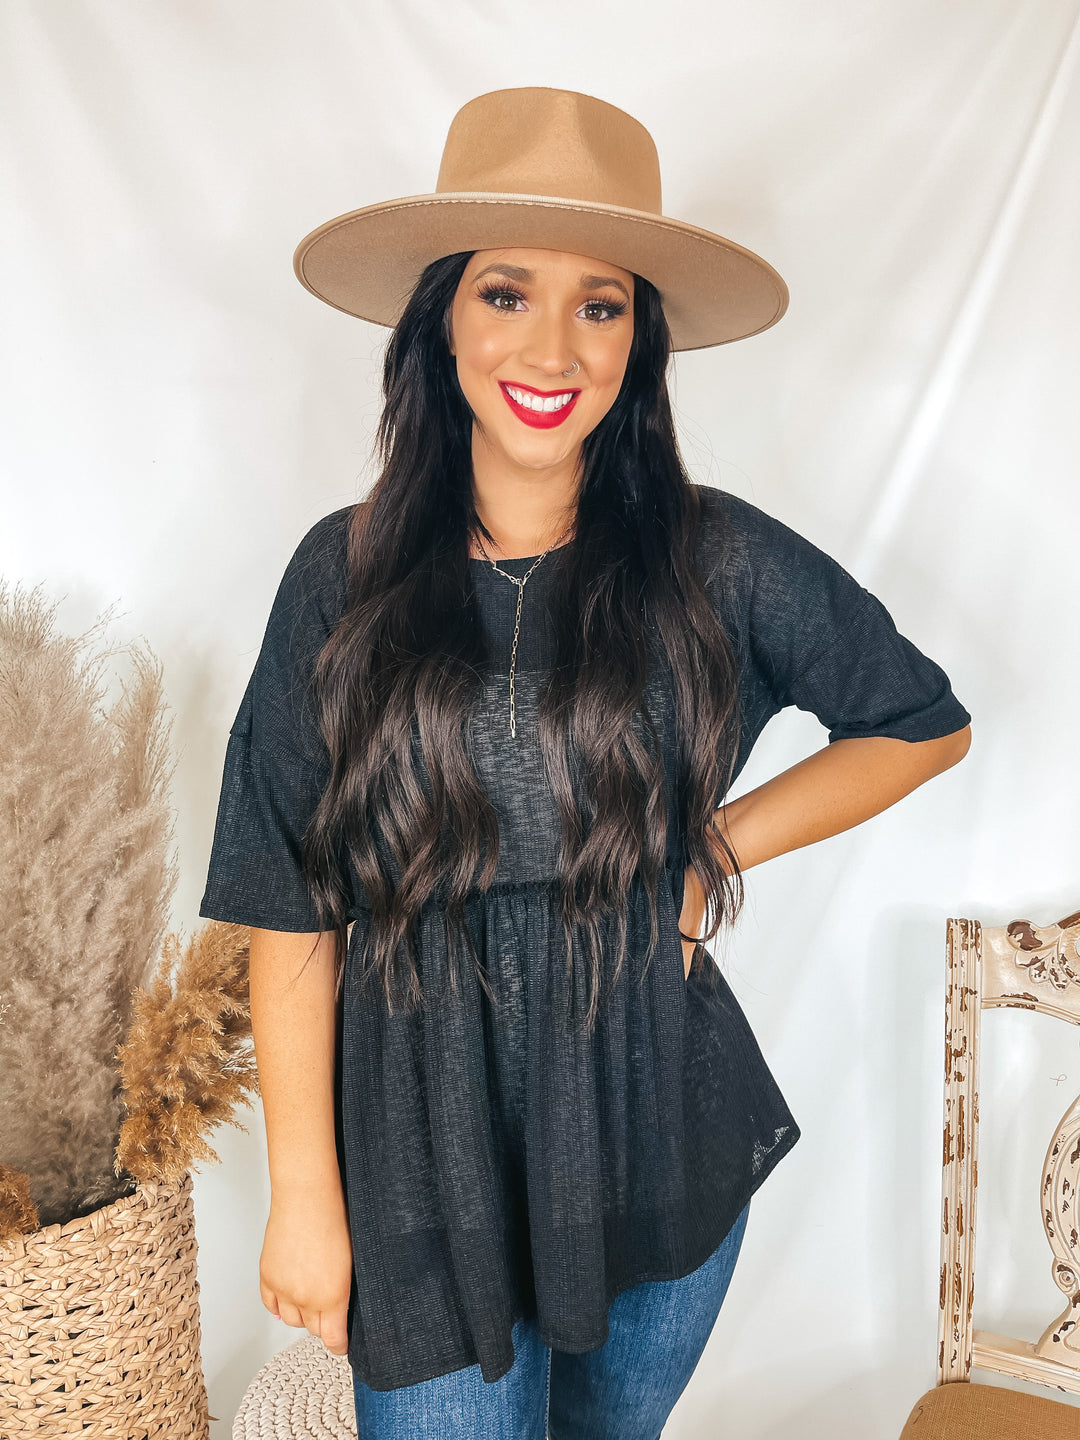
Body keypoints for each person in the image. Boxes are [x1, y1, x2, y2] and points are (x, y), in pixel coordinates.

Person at [199, 87, 972, 1440]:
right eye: (506, 293)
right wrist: (305, 1197)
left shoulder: (713, 559)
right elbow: (288, 898)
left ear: (638, 340)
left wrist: (710, 853)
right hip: (418, 1161)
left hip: (648, 1128)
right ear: (442, 321)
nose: (553, 346)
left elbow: (920, 722)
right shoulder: (342, 574)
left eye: (600, 305)